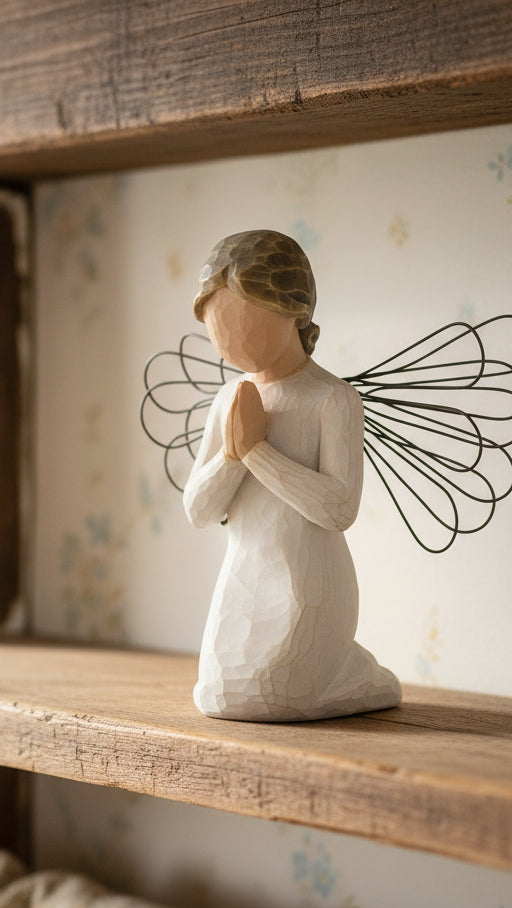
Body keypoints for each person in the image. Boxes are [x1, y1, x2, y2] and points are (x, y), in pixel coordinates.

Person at [183, 230, 402, 722]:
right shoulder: (228, 400)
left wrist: (257, 451)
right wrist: (231, 457)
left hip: (308, 583)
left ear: (294, 311)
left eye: (246, 326)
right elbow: (199, 509)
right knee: (216, 696)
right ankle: (344, 670)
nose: (233, 346)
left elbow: (339, 508)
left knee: (273, 697)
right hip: (243, 578)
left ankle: (355, 674)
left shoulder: (332, 399)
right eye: (220, 334)